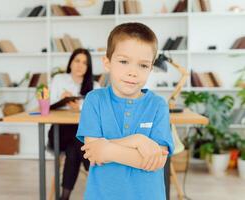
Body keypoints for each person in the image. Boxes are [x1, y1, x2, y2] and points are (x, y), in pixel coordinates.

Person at [76, 22, 174, 200]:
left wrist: (107, 149)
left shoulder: (158, 105)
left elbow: (157, 161)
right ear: (107, 62)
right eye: (123, 61)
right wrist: (137, 140)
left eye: (143, 65)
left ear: (151, 68)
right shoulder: (94, 100)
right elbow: (94, 153)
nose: (133, 72)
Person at [48, 48, 100, 200]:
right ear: (70, 62)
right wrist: (61, 99)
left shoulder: (95, 86)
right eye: (77, 60)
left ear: (88, 67)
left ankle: (64, 197)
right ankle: (96, 181)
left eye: (84, 62)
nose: (80, 65)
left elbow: (99, 110)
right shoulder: (59, 79)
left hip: (81, 134)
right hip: (60, 133)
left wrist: (81, 107)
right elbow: (48, 104)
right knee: (80, 142)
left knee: (73, 150)